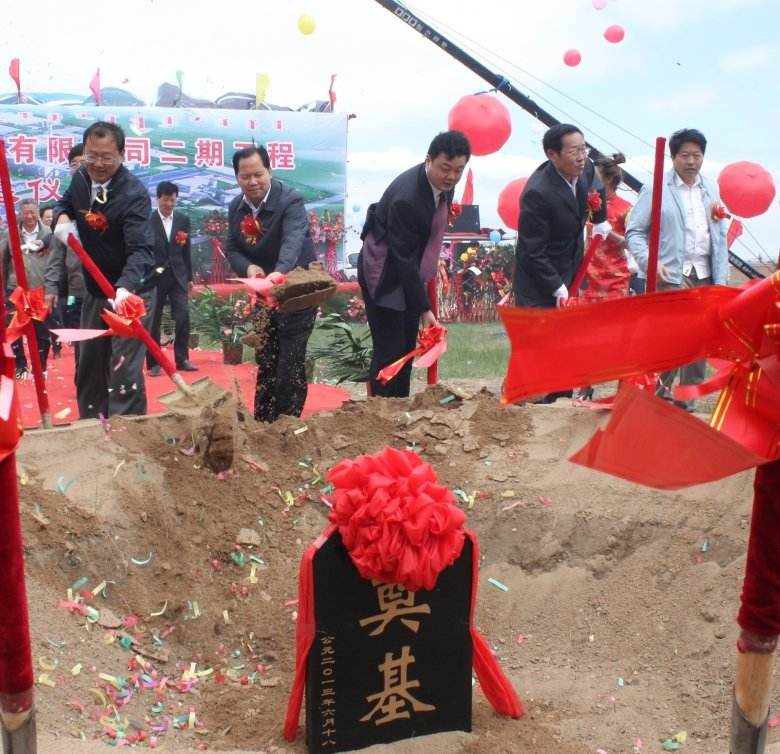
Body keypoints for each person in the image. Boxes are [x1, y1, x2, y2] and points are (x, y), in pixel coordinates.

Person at [50, 121, 156, 419]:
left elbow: (141, 250)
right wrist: (60, 219)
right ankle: (91, 429)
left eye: (106, 157)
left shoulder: (133, 193)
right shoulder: (81, 179)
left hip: (131, 294)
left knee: (124, 373)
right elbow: (64, 203)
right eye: (91, 155)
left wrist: (125, 287)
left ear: (121, 154)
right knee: (90, 366)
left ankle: (127, 432)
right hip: (96, 290)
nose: (97, 164)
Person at [358, 130, 471, 397]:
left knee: (407, 350)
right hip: (384, 274)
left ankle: (401, 408)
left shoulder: (445, 186)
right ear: (428, 160)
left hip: (409, 273)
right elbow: (403, 259)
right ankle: (381, 412)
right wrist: (424, 309)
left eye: (458, 170)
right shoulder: (407, 199)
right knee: (390, 352)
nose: (451, 177)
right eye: (445, 168)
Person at [625, 128, 728, 411]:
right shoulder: (656, 189)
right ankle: (658, 396)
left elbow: (719, 232)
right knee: (670, 337)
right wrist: (650, 261)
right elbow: (634, 232)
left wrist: (721, 277)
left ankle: (687, 401)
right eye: (685, 155)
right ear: (673, 157)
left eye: (697, 155)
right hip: (671, 273)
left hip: (705, 273)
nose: (691, 161)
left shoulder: (711, 189)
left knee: (700, 339)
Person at [513, 123, 609, 403]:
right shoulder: (537, 193)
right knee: (539, 343)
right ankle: (526, 402)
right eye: (573, 151)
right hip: (538, 278)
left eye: (583, 149)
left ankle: (560, 401)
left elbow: (597, 187)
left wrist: (600, 219)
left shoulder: (585, 167)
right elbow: (532, 250)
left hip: (571, 265)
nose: (581, 157)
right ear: (552, 155)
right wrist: (556, 286)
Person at [225, 145, 316, 423]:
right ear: (237, 177)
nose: (252, 182)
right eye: (245, 176)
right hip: (263, 296)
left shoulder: (290, 200)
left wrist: (278, 273)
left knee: (289, 362)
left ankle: (285, 425)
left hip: (295, 292)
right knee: (266, 359)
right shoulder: (236, 207)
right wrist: (248, 267)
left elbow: (293, 241)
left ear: (270, 171)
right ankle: (263, 424)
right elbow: (232, 248)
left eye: (258, 174)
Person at [146, 181, 196, 376]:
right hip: (155, 277)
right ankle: (154, 362)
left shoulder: (183, 220)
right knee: (154, 320)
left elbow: (186, 250)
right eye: (166, 200)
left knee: (183, 316)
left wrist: (189, 277)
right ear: (158, 198)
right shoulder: (148, 220)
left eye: (173, 200)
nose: (169, 204)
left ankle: (182, 359)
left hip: (178, 275)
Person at [45, 143, 88, 369]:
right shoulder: (64, 211)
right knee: (82, 345)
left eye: (83, 162)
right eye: (74, 164)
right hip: (77, 290)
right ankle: (84, 383)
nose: (79, 168)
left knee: (108, 346)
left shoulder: (108, 200)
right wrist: (51, 287)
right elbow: (56, 254)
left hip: (108, 290)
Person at [2, 200, 52, 378]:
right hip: (15, 289)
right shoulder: (10, 234)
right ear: (20, 214)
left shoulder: (49, 233)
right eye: (25, 213)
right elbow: (3, 261)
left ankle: (41, 367)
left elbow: (56, 262)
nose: (29, 216)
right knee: (14, 329)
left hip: (40, 289)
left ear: (37, 213)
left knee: (42, 332)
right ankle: (21, 367)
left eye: (32, 212)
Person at [581, 153, 632, 303]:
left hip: (615, 280)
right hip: (588, 279)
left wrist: (609, 232)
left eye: (594, 177)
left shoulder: (626, 209)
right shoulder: (589, 205)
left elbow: (633, 245)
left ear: (608, 179)